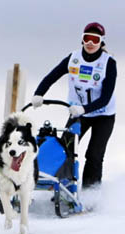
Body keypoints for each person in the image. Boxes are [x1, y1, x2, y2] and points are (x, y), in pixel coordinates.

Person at [31, 22, 117, 189]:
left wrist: (84, 109)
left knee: (93, 155)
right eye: (87, 38)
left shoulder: (108, 63)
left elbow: (106, 97)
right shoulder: (73, 59)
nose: (91, 43)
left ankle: (91, 194)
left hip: (103, 116)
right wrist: (39, 94)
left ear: (101, 42)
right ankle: (63, 187)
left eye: (95, 39)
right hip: (78, 114)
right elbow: (52, 76)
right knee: (64, 149)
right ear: (82, 40)